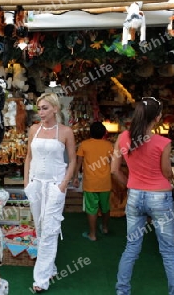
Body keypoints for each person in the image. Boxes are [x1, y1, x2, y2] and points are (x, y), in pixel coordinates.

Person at [111, 97, 174, 295]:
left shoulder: (123, 138)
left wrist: (130, 186)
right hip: (159, 197)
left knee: (131, 248)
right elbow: (167, 173)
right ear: (158, 117)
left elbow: (114, 170)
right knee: (168, 251)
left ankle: (122, 291)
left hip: (135, 195)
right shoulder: (163, 142)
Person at [23, 93, 76, 293]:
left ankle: (41, 279)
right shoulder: (33, 129)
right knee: (40, 227)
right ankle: (50, 267)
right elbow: (28, 156)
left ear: (55, 109)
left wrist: (63, 185)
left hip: (55, 184)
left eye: (45, 108)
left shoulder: (65, 132)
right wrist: (27, 182)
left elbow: (72, 160)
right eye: (39, 108)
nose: (41, 112)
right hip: (35, 184)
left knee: (50, 229)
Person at [73, 121, 113, 241]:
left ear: (90, 133)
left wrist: (75, 177)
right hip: (105, 182)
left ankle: (92, 234)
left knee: (91, 208)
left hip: (90, 183)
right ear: (103, 133)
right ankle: (105, 228)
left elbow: (78, 163)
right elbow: (113, 162)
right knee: (105, 207)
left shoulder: (84, 145)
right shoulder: (109, 145)